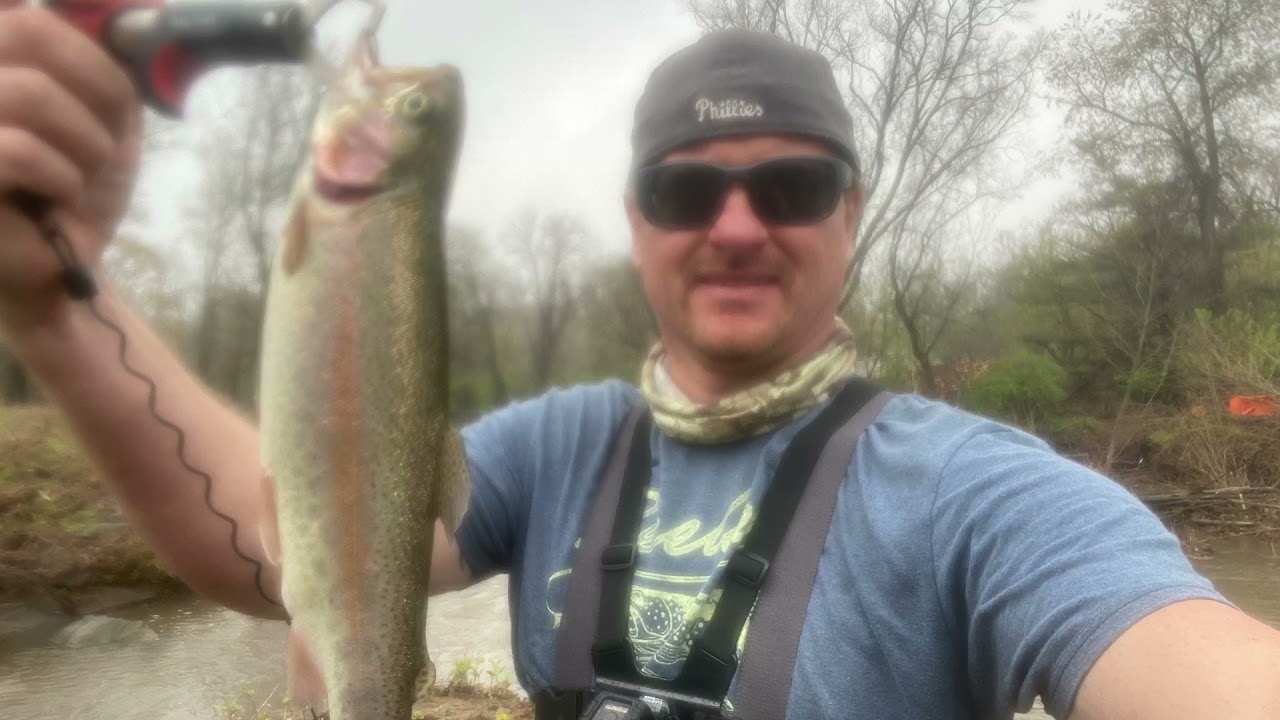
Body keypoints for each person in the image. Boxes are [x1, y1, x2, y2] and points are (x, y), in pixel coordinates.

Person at [0, 3, 1276, 717]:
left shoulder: (978, 494)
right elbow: (274, 546)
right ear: (634, 222)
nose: (736, 225)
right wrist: (57, 297)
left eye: (790, 185)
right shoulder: (555, 444)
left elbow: (1190, 663)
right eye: (685, 190)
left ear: (851, 213)